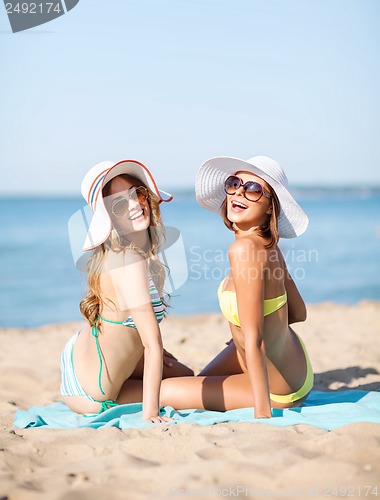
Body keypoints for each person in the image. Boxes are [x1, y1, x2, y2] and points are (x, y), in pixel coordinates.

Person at [160, 155, 313, 418]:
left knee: (163, 391)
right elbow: (299, 313)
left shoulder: (243, 250)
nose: (239, 192)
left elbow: (255, 339)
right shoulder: (269, 246)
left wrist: (262, 412)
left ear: (269, 207)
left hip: (278, 387)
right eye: (234, 183)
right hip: (298, 367)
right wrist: (244, 332)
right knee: (200, 380)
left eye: (254, 189)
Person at [60, 160, 193, 422]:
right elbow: (152, 344)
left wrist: (152, 354)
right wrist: (151, 413)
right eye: (120, 204)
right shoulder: (129, 261)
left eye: (138, 193)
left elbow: (125, 321)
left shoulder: (119, 252)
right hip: (91, 391)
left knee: (184, 373)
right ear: (108, 216)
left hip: (82, 354)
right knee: (179, 389)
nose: (134, 204)